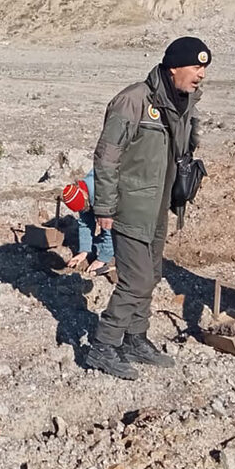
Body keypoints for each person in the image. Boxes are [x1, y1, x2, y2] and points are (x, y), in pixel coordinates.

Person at [85, 36, 211, 380]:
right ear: (173, 67)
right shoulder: (132, 101)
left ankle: (134, 338)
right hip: (129, 204)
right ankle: (103, 344)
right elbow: (107, 157)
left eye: (204, 69)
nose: (200, 75)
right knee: (136, 279)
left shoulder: (183, 104)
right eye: (195, 67)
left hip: (158, 205)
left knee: (152, 275)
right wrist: (105, 208)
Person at [61, 172, 116, 278]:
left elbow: (110, 229)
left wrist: (101, 260)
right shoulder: (82, 193)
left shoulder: (102, 194)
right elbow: (85, 222)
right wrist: (84, 251)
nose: (83, 210)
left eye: (84, 206)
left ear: (85, 195)